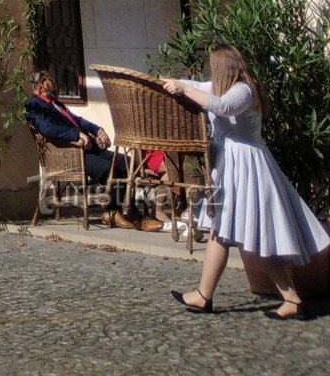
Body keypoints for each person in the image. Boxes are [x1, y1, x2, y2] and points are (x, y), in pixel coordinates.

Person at [163, 45, 330, 318]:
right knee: (229, 230)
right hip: (233, 167)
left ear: (224, 68)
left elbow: (220, 106)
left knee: (250, 232)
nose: (211, 74)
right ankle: (212, 296)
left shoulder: (243, 90)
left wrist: (184, 90)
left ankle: (283, 298)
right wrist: (175, 83)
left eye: (214, 68)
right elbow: (199, 85)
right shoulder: (226, 86)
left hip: (247, 168)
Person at [24, 67, 161, 230]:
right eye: (49, 79)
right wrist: (76, 135)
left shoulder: (56, 104)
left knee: (126, 163)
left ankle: (114, 212)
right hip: (69, 154)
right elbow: (47, 128)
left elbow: (78, 120)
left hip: (87, 149)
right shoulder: (33, 105)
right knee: (108, 169)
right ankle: (130, 215)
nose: (53, 81)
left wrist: (98, 130)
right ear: (40, 84)